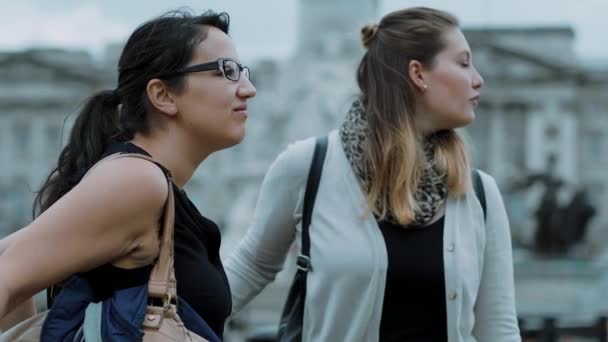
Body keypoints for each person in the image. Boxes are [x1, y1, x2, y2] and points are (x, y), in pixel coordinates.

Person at [225, 7, 520, 342]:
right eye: (464, 63)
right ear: (418, 73)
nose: (478, 79)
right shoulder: (308, 166)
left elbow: (499, 328)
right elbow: (250, 269)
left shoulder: (479, 192)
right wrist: (166, 321)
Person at [0, 9, 256, 339]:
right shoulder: (137, 181)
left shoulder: (140, 179)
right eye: (227, 71)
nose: (248, 89)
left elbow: (8, 260)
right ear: (163, 95)